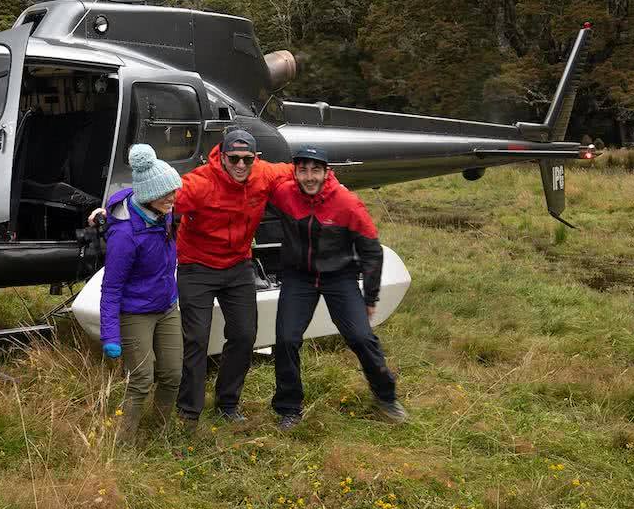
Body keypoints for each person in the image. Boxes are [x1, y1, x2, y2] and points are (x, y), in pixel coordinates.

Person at [267, 145, 406, 428]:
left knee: (361, 338)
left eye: (315, 170)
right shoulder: (284, 194)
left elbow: (371, 251)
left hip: (339, 277)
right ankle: (289, 408)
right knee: (285, 340)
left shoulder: (346, 202)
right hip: (299, 277)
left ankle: (386, 398)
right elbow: (253, 192)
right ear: (295, 172)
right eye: (303, 170)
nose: (308, 177)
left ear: (327, 171)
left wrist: (370, 297)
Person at [171, 128, 293, 424]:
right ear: (222, 156)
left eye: (247, 159)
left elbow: (303, 172)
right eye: (234, 159)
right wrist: (111, 210)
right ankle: (189, 410)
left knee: (243, 335)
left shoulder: (264, 174)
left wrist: (331, 188)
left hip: (238, 265)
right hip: (196, 267)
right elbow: (157, 197)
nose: (240, 165)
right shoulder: (199, 182)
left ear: (256, 158)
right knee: (197, 339)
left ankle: (227, 403)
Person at [99, 144, 183, 441]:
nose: (173, 198)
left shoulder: (163, 212)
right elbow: (111, 289)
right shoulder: (125, 236)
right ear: (148, 196)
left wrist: (102, 210)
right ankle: (122, 443)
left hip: (167, 306)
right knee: (141, 380)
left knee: (172, 375)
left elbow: (119, 197)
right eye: (166, 193)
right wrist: (110, 336)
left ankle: (159, 434)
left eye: (173, 190)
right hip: (135, 312)